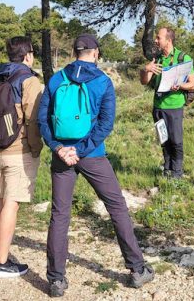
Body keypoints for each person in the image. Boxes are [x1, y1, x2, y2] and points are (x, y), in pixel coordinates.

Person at [38, 34, 154, 297]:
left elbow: (42, 120)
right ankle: (137, 269)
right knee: (116, 207)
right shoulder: (102, 81)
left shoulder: (56, 79)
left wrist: (59, 148)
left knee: (60, 214)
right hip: (92, 155)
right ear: (96, 53)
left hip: (61, 156)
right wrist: (80, 150)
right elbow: (105, 124)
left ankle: (56, 280)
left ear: (74, 52)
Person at [0, 37, 44, 280]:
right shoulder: (29, 80)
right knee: (11, 204)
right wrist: (36, 147)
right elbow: (33, 119)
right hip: (18, 151)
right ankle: (2, 263)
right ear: (28, 55)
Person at [139, 27, 194, 179]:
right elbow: (144, 82)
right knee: (164, 140)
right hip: (158, 107)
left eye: (159, 38)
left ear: (168, 40)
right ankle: (167, 168)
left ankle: (177, 172)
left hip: (174, 107)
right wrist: (145, 69)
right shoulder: (156, 59)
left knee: (176, 140)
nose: (155, 40)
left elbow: (193, 84)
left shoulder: (183, 58)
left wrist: (180, 85)